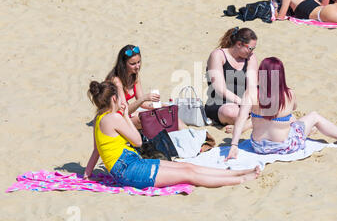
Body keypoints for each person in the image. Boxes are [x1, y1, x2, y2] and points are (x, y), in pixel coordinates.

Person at [83, 80, 260, 188]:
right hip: (129, 169)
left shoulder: (99, 118)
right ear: (114, 99)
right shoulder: (114, 117)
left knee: (188, 167)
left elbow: (96, 149)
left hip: (130, 164)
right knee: (188, 175)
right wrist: (126, 117)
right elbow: (137, 142)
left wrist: (87, 173)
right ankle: (240, 179)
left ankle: (238, 173)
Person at [225, 57, 337, 161]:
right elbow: (294, 107)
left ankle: (308, 130)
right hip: (285, 146)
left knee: (287, 119)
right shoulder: (289, 94)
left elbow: (240, 119)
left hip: (259, 147)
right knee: (313, 116)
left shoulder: (250, 93)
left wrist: (234, 145)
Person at [105, 45, 186, 130]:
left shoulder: (134, 76)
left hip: (127, 113)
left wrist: (161, 105)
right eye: (132, 64)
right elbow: (127, 110)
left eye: (139, 62)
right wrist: (144, 98)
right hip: (115, 117)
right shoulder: (116, 81)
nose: (137, 66)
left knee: (168, 112)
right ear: (123, 64)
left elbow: (143, 104)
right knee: (150, 119)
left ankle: (188, 134)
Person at [205, 27, 258, 133]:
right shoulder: (218, 55)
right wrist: (243, 104)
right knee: (231, 113)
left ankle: (247, 124)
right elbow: (220, 89)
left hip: (246, 100)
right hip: (220, 102)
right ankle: (255, 120)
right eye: (250, 48)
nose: (252, 52)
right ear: (239, 44)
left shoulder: (250, 57)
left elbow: (252, 86)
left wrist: (251, 103)